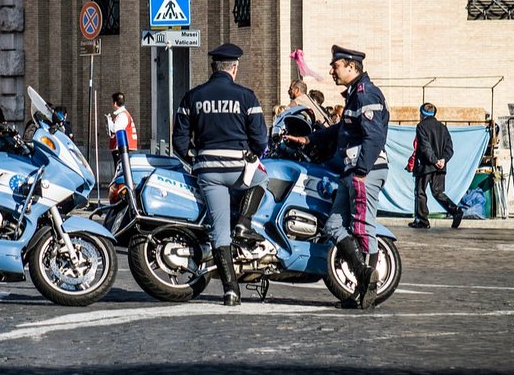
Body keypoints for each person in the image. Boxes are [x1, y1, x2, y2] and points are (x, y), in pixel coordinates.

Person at [284, 45, 388, 310]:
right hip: (351, 170)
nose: (331, 71)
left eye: (336, 66)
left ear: (351, 67)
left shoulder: (366, 94)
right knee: (333, 226)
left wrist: (361, 171)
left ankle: (367, 290)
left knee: (362, 227)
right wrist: (308, 139)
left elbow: (374, 137)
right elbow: (340, 130)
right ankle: (362, 277)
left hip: (365, 170)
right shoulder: (354, 95)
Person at [172, 43, 268, 306]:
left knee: (219, 230)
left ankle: (230, 291)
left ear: (213, 67)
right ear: (234, 68)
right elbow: (261, 139)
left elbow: (179, 141)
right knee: (263, 179)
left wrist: (194, 158)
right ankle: (244, 223)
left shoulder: (192, 97)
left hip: (208, 171)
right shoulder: (246, 97)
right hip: (238, 169)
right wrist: (253, 154)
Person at [409, 103, 463, 229]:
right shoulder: (443, 127)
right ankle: (455, 211)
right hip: (440, 166)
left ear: (422, 114)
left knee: (420, 192)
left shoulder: (421, 126)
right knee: (438, 192)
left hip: (426, 166)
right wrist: (443, 160)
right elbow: (449, 148)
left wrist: (434, 161)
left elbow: (425, 147)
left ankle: (422, 220)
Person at [106, 92, 138, 165]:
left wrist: (109, 121)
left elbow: (115, 129)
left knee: (120, 167)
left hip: (121, 148)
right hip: (122, 148)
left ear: (115, 103)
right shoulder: (123, 114)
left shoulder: (122, 115)